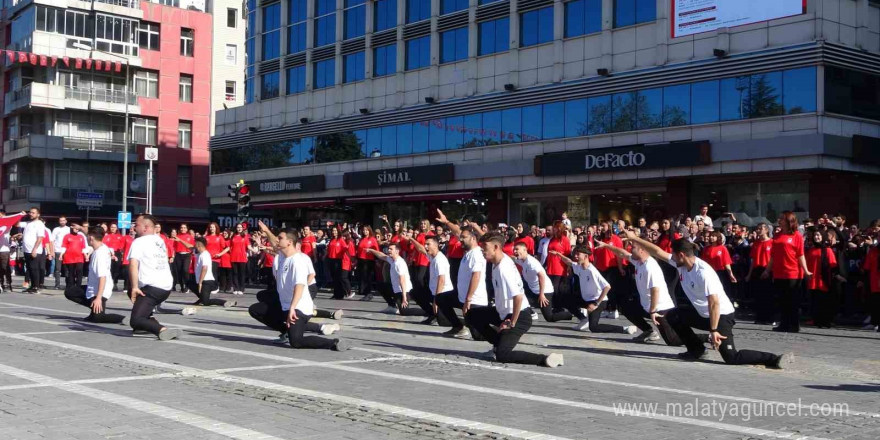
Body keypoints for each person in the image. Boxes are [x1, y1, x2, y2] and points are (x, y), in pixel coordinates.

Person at [625, 231, 789, 368]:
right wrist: (634, 238)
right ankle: (696, 350)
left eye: (673, 255)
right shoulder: (681, 264)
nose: (671, 259)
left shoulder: (703, 272)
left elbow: (714, 303)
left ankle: (773, 358)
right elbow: (657, 252)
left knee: (731, 357)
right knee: (674, 315)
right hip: (702, 313)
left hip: (721, 316)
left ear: (681, 255)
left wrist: (713, 330)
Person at [465, 233, 563, 367]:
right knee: (471, 315)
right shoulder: (496, 262)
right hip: (503, 312)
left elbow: (518, 296)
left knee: (502, 355)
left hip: (519, 316)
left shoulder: (504, 268)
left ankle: (545, 359)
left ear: (495, 247)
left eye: (485, 247)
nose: (482, 250)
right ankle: (498, 343)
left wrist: (512, 322)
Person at [248, 225, 349, 351]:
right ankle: (286, 330)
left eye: (280, 238)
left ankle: (333, 343)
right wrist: (267, 231)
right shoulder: (283, 256)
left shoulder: (298, 260)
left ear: (289, 242)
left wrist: (292, 308)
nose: (277, 240)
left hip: (299, 307)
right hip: (284, 304)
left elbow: (299, 286)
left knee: (296, 341)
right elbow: (274, 244)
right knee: (255, 309)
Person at [594, 239, 681, 345]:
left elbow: (655, 290)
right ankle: (649, 331)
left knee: (672, 340)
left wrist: (653, 311)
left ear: (642, 250)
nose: (630, 249)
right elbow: (622, 253)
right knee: (626, 307)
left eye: (633, 247)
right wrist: (606, 245)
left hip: (660, 308)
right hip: (647, 306)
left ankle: (705, 337)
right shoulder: (639, 262)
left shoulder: (650, 267)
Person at [127, 214, 182, 341]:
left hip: (152, 288)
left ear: (145, 227)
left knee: (135, 320)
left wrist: (135, 287)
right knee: (132, 292)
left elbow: (133, 264)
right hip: (165, 287)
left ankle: (161, 329)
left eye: (137, 225)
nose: (134, 227)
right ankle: (146, 323)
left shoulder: (139, 241)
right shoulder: (159, 240)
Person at [436, 210, 490, 338]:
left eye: (463, 238)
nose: (460, 240)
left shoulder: (477, 254)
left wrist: (468, 299)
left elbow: (476, 276)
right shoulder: (467, 252)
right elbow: (457, 232)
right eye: (461, 237)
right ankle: (458, 326)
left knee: (478, 336)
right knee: (441, 298)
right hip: (462, 296)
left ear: (473, 238)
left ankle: (501, 329)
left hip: (473, 300)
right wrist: (446, 222)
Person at [551, 247, 628, 334]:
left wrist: (596, 304)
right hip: (586, 300)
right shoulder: (579, 267)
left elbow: (607, 287)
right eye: (575, 254)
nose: (575, 256)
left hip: (598, 301)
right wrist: (558, 254)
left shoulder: (592, 271)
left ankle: (624, 329)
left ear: (586, 256)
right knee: (566, 299)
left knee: (593, 327)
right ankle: (583, 319)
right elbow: (568, 261)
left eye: (578, 254)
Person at [64, 227, 127, 324]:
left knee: (98, 318)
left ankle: (122, 319)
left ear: (91, 238)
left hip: (100, 290)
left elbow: (102, 277)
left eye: (87, 237)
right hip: (93, 287)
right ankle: (93, 310)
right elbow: (95, 234)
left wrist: (98, 298)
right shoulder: (102, 246)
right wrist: (81, 228)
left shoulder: (99, 255)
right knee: (70, 292)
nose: (86, 238)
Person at [762, 211, 812, 333]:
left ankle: (794, 325)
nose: (779, 220)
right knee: (782, 300)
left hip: (793, 273)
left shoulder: (797, 236)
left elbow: (801, 255)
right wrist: (767, 270)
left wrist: (806, 270)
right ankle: (784, 324)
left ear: (789, 221)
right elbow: (773, 256)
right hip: (779, 273)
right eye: (779, 218)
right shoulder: (777, 236)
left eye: (782, 219)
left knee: (792, 301)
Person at [367, 243, 434, 318]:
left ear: (397, 251)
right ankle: (392, 306)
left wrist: (404, 298)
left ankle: (428, 312)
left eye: (391, 249)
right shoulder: (392, 260)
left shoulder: (399, 263)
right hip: (395, 289)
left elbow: (403, 281)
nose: (389, 250)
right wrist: (372, 250)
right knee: (381, 285)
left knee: (404, 311)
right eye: (388, 249)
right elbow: (382, 256)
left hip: (403, 290)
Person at [514, 242, 572, 322]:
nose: (515, 251)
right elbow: (513, 258)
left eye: (517, 249)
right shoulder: (522, 260)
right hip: (533, 290)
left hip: (545, 291)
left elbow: (542, 276)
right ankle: (530, 314)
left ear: (525, 249)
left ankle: (569, 314)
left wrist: (542, 294)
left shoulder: (532, 262)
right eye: (514, 250)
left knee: (549, 317)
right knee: (519, 299)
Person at [409, 234, 454, 328]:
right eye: (425, 244)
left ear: (436, 245)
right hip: (434, 291)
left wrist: (436, 300)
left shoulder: (439, 260)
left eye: (428, 244)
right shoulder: (432, 256)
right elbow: (421, 249)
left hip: (443, 293)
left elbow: (441, 280)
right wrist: (412, 239)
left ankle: (463, 324)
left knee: (444, 322)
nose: (426, 246)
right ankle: (432, 314)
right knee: (415, 293)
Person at [188, 237, 237, 308]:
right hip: (201, 281)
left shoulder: (205, 255)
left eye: (195, 244)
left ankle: (225, 302)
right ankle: (202, 298)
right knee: (189, 282)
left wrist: (200, 282)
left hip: (207, 281)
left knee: (206, 302)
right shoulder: (199, 254)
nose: (194, 246)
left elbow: (204, 268)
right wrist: (179, 240)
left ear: (199, 245)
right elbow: (190, 247)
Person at [805, 230, 839, 328]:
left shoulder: (827, 250)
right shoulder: (810, 250)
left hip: (823, 279)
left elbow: (833, 265)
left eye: (818, 235)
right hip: (812, 279)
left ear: (823, 237)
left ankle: (825, 321)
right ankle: (817, 320)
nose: (816, 237)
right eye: (815, 235)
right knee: (815, 301)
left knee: (824, 301)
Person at [745, 224, 775, 325]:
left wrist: (769, 271)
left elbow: (773, 258)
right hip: (757, 270)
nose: (758, 230)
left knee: (768, 295)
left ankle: (769, 318)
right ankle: (760, 317)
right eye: (757, 229)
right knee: (758, 295)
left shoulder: (772, 242)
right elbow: (753, 260)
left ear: (766, 230)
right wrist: (749, 274)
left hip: (767, 269)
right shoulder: (756, 243)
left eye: (760, 228)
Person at [22, 207, 47, 294]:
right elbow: (17, 224)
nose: (31, 214)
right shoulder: (28, 223)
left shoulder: (39, 224)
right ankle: (32, 286)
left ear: (38, 214)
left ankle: (36, 287)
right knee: (29, 268)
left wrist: (34, 249)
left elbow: (40, 237)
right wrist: (20, 215)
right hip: (26, 250)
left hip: (34, 250)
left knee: (34, 269)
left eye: (33, 213)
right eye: (30, 212)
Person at [355, 225, 380, 301]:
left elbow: (377, 250)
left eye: (366, 230)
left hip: (369, 260)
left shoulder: (372, 239)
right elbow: (359, 250)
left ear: (369, 231)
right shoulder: (362, 239)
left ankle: (368, 293)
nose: (365, 231)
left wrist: (377, 259)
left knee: (367, 277)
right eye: (364, 230)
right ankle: (365, 293)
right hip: (361, 259)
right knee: (362, 277)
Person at [61, 224, 88, 289]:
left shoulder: (81, 236)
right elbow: (64, 246)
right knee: (71, 272)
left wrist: (86, 256)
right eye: (74, 228)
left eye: (77, 228)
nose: (76, 229)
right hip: (69, 258)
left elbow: (83, 247)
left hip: (79, 258)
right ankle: (71, 286)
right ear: (71, 228)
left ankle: (78, 286)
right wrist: (61, 254)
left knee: (79, 271)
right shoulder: (67, 236)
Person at [171, 224, 195, 293]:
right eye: (181, 228)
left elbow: (192, 246)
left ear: (187, 229)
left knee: (185, 270)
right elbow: (174, 247)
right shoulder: (177, 237)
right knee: (179, 271)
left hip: (187, 255)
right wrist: (173, 256)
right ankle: (182, 287)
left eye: (184, 228)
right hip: (178, 255)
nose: (183, 229)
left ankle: (187, 286)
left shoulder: (190, 237)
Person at [229, 223, 249, 295]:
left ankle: (241, 288)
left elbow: (248, 246)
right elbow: (229, 247)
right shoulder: (233, 236)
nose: (239, 228)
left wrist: (255, 250)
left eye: (240, 227)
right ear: (236, 228)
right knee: (235, 273)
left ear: (242, 228)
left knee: (242, 274)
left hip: (242, 257)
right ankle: (235, 288)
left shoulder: (245, 237)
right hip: (233, 257)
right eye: (238, 227)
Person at [51, 216, 70, 289]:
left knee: (67, 269)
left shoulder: (69, 229)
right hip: (58, 251)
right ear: (59, 221)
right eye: (60, 220)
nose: (62, 222)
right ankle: (57, 285)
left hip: (66, 251)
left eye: (63, 220)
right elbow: (52, 240)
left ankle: (68, 285)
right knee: (57, 269)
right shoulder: (56, 229)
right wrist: (52, 251)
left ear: (66, 221)